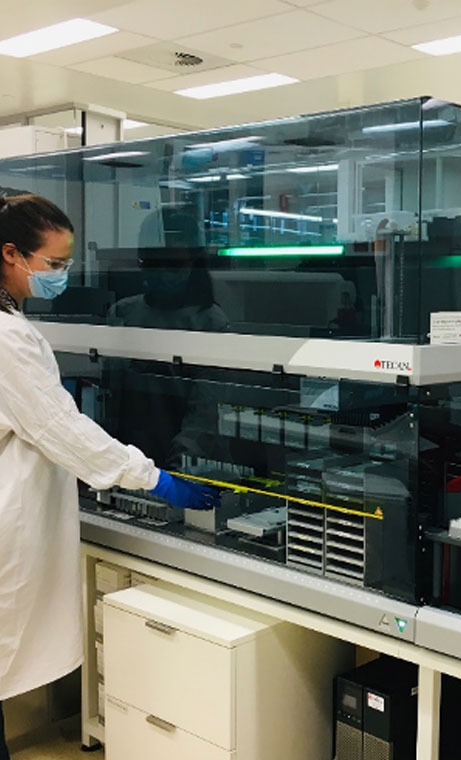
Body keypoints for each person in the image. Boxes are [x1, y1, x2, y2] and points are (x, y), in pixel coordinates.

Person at [0, 194, 217, 759]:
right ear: (11, 254)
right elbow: (63, 429)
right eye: (53, 263)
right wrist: (155, 480)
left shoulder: (12, 325)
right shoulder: (7, 336)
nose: (61, 275)